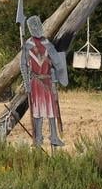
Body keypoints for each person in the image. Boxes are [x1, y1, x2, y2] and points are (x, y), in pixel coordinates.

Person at [19, 14, 68, 149]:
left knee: (44, 110)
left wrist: (56, 71)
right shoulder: (35, 45)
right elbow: (23, 65)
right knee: (42, 110)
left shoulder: (33, 45)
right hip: (40, 81)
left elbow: (57, 63)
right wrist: (27, 83)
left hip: (44, 81)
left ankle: (47, 137)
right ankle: (42, 137)